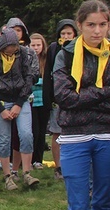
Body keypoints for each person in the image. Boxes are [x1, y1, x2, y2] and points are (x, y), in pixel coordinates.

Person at [53, 0, 110, 209]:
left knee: (104, 202)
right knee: (78, 203)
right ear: (80, 25)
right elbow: (64, 97)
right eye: (91, 25)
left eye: (102, 25)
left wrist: (82, 97)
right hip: (74, 135)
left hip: (107, 133)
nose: (97, 31)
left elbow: (74, 98)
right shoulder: (65, 55)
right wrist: (103, 92)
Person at [0, 28, 39, 191]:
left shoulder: (23, 53)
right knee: (4, 139)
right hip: (0, 102)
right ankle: (7, 176)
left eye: (13, 49)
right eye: (8, 49)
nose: (11, 52)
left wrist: (19, 103)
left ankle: (26, 173)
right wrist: (0, 108)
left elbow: (29, 78)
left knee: (26, 134)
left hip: (21, 100)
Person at [43, 19, 78, 180]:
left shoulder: (80, 48)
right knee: (57, 132)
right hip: (58, 97)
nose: (66, 36)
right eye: (63, 33)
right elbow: (48, 73)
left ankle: (75, 165)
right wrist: (49, 97)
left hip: (77, 96)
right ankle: (58, 167)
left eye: (69, 33)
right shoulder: (53, 49)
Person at [29, 33, 49, 170]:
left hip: (44, 100)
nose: (36, 48)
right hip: (31, 101)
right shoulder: (27, 60)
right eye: (33, 45)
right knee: (33, 131)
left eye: (38, 45)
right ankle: (30, 159)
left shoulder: (47, 61)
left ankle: (38, 159)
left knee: (42, 132)